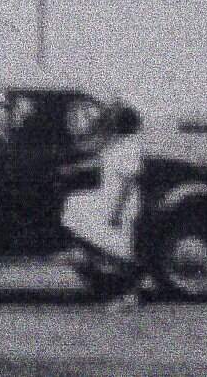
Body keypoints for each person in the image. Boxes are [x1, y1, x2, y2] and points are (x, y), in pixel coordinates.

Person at [61, 101, 147, 305]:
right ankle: (105, 274)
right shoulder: (117, 144)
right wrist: (73, 169)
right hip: (107, 196)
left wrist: (117, 212)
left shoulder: (131, 147)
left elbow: (128, 182)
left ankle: (129, 293)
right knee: (75, 203)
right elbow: (99, 161)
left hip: (121, 203)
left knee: (120, 248)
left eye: (115, 120)